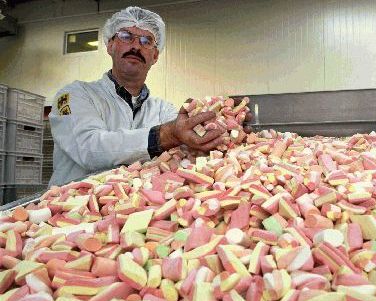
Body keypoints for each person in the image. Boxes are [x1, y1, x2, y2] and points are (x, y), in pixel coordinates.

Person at [49, 6, 247, 186]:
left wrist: (224, 124)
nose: (136, 46)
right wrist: (165, 135)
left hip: (132, 212)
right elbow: (89, 148)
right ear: (110, 46)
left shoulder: (163, 110)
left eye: (146, 41)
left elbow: (187, 141)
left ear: (155, 56)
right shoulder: (75, 95)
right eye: (126, 36)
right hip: (71, 211)